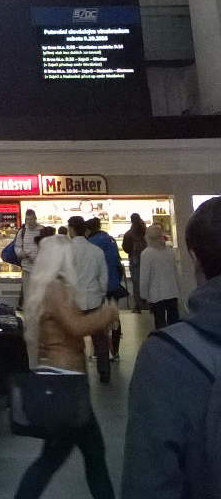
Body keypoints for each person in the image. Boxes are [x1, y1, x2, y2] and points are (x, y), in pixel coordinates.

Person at [121, 196, 221, 498]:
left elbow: (149, 482)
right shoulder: (166, 253)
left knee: (162, 319)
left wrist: (141, 296)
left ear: (195, 258)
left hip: (160, 299)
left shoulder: (164, 359)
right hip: (170, 293)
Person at [14, 236, 117, 499]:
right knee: (86, 454)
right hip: (68, 385)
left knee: (71, 455)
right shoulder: (57, 289)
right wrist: (106, 314)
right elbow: (76, 326)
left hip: (59, 382)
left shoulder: (44, 289)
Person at [67, 215, 110, 382]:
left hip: (73, 300)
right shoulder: (96, 251)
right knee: (99, 339)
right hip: (93, 299)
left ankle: (76, 372)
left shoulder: (66, 251)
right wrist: (101, 294)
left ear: (71, 229)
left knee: (74, 339)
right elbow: (103, 277)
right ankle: (104, 372)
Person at [85, 217, 125, 363]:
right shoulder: (110, 239)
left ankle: (100, 352)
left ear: (88, 230)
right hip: (114, 285)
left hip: (99, 287)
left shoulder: (92, 243)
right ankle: (115, 352)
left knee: (99, 320)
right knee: (114, 319)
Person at [139, 222, 184, 329]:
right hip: (172, 291)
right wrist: (179, 289)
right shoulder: (169, 252)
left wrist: (143, 295)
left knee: (160, 323)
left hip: (156, 294)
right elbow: (176, 272)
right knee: (174, 322)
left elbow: (145, 277)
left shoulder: (146, 254)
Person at [14, 209, 43, 307]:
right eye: (27, 220)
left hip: (40, 268)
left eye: (31, 219)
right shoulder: (22, 232)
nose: (29, 222)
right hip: (26, 267)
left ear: (35, 218)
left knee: (39, 295)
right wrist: (21, 253)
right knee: (27, 295)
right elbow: (17, 246)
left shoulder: (42, 230)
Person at [122, 214, 148, 313]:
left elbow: (125, 248)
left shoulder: (129, 234)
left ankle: (138, 304)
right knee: (147, 281)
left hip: (135, 261)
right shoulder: (146, 231)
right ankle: (148, 303)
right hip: (147, 260)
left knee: (136, 284)